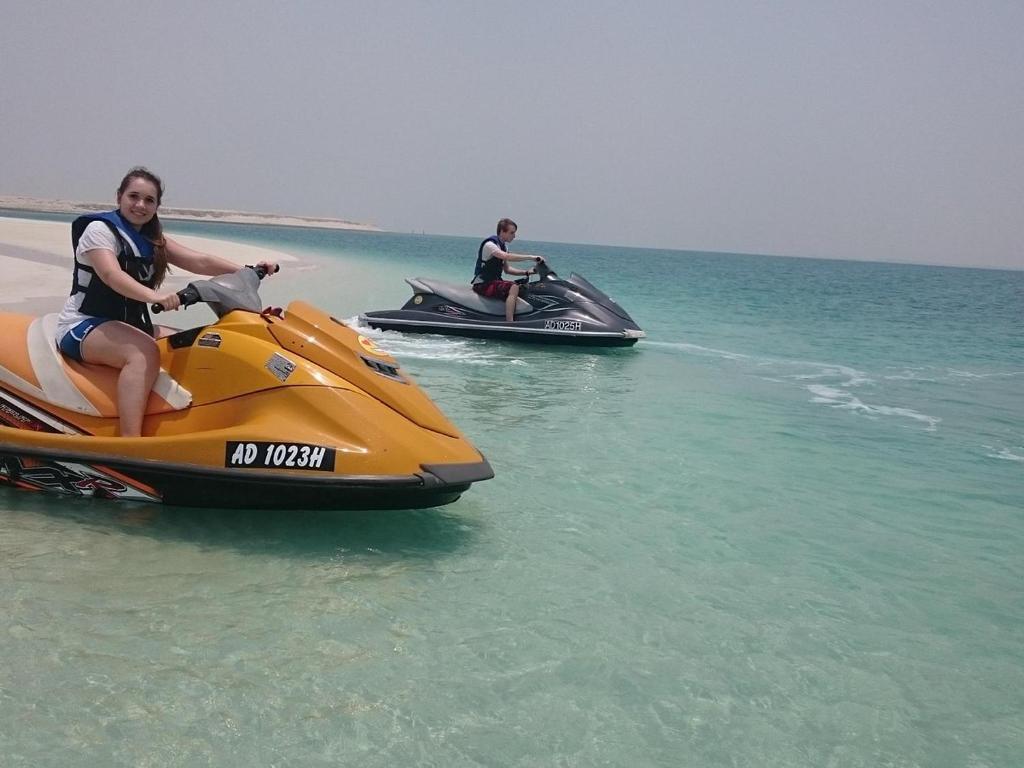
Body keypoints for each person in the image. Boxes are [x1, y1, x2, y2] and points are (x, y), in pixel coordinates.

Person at [54, 166, 278, 437]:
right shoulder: (99, 231)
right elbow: (111, 275)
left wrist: (248, 272)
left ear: (157, 206)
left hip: (128, 324)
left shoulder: (151, 238)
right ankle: (129, 443)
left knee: (197, 343)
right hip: (84, 324)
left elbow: (200, 261)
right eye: (133, 196)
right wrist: (155, 296)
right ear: (119, 197)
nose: (140, 205)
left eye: (149, 200)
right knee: (143, 353)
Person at [471, 218, 545, 322]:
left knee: (524, 287)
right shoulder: (490, 245)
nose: (514, 236)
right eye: (512, 233)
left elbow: (507, 270)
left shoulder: (504, 247)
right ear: (502, 231)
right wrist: (531, 257)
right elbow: (506, 256)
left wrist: (527, 272)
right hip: (483, 284)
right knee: (513, 287)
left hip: (494, 282)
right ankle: (510, 322)